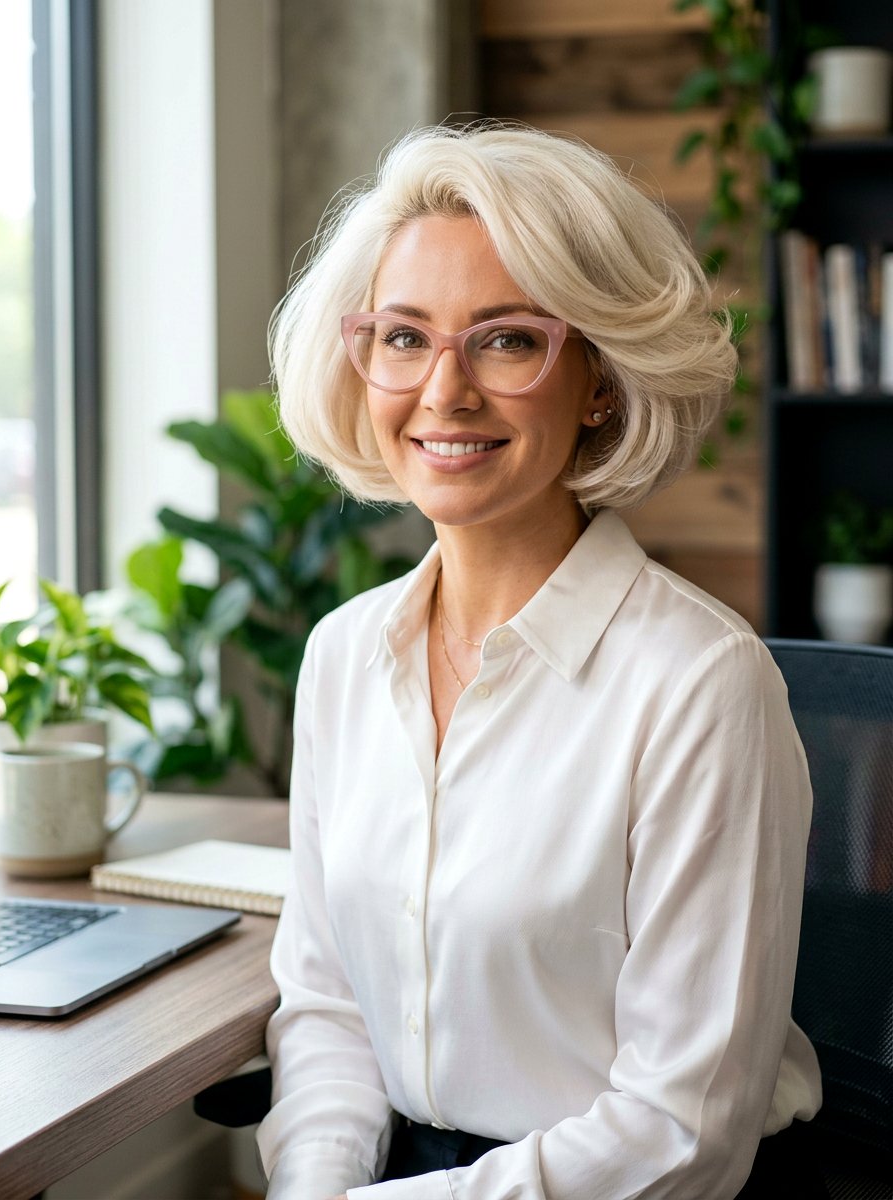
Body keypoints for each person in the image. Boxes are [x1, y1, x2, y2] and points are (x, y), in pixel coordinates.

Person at [256, 122, 825, 1199]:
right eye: (404, 337)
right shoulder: (342, 656)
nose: (444, 392)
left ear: (599, 380)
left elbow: (679, 1133)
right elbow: (327, 1008)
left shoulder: (700, 684)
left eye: (507, 339)